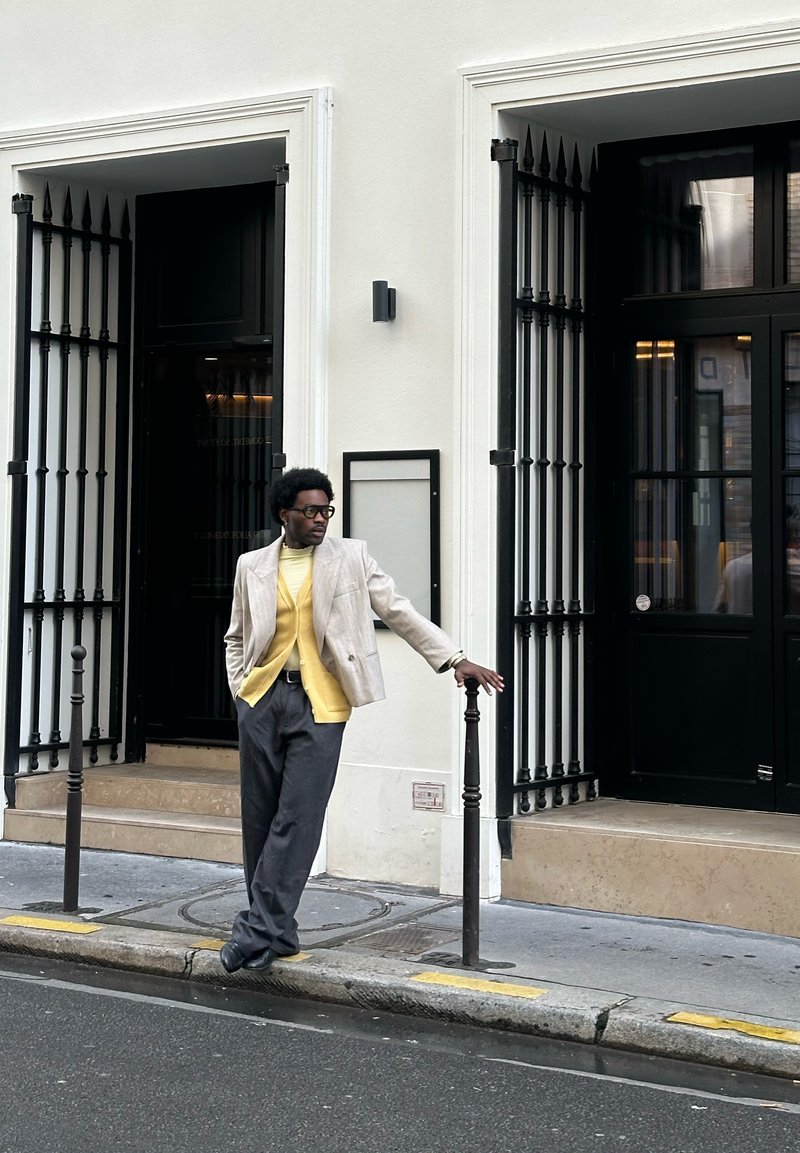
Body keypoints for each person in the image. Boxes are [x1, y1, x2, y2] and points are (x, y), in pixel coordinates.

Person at [219, 467, 503, 972]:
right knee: (259, 817)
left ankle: (255, 931)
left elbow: (398, 610)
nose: (320, 519)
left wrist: (453, 659)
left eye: (326, 510)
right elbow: (237, 635)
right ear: (284, 514)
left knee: (298, 817)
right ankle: (276, 934)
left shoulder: (350, 557)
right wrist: (241, 690)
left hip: (323, 703)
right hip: (262, 698)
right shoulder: (252, 565)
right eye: (310, 511)